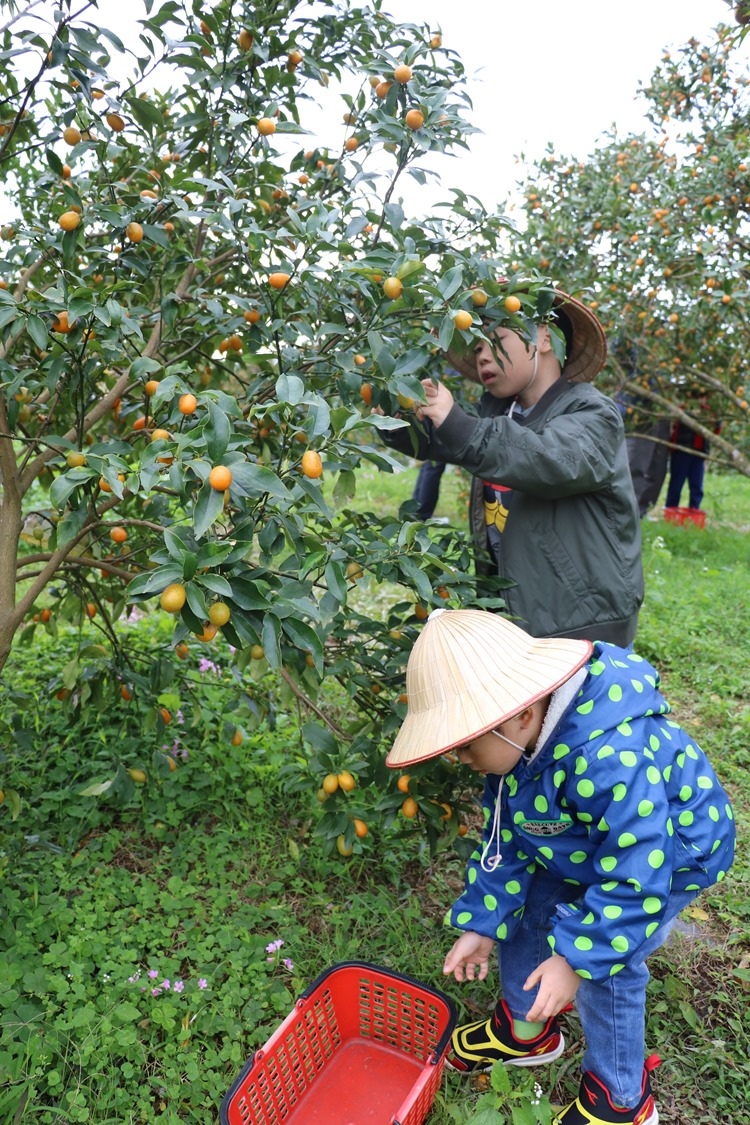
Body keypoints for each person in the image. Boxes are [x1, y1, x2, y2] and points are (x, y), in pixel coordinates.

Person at [386, 608, 735, 1125]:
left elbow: (638, 875)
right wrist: (485, 921)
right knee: (532, 907)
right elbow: (509, 837)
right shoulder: (514, 747)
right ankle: (526, 1032)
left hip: (671, 854)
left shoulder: (610, 754)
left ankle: (621, 1100)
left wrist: (575, 959)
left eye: (465, 744)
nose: (460, 758)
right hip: (581, 840)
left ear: (521, 715)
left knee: (608, 964)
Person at [379, 281, 644, 646]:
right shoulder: (499, 413)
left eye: (495, 340)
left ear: (544, 339)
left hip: (585, 624)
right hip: (518, 621)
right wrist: (392, 419)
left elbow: (551, 458)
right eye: (476, 347)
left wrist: (456, 422)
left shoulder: (592, 413)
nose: (482, 355)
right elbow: (443, 439)